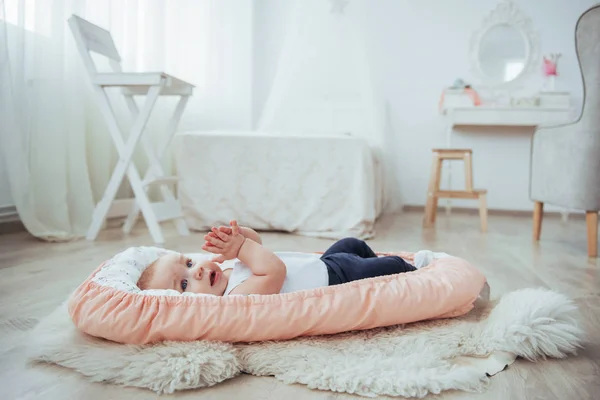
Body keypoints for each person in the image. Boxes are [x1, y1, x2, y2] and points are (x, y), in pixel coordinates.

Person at [137, 220, 450, 296]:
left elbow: (258, 247)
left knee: (352, 242)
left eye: (189, 264)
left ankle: (384, 272)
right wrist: (242, 249)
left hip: (324, 264)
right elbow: (273, 269)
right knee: (387, 266)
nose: (199, 272)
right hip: (335, 280)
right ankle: (418, 271)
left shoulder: (230, 269)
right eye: (184, 284)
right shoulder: (235, 297)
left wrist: (240, 238)